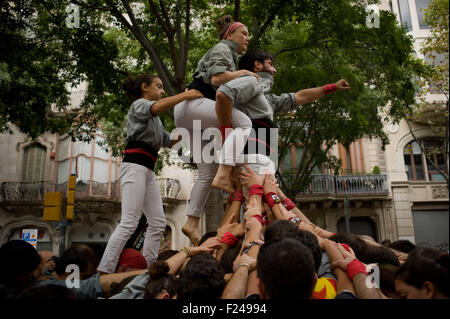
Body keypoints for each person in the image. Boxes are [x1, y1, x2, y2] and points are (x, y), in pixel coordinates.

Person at [97, 74, 202, 273]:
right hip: (134, 166)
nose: (162, 91)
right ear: (145, 87)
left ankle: (147, 268)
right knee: (129, 222)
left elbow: (168, 141)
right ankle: (104, 270)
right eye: (159, 86)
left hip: (147, 170)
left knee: (158, 222)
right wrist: (185, 96)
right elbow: (155, 107)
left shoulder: (156, 121)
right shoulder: (139, 105)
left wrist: (190, 130)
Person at [175, 14, 256, 245]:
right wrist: (244, 73)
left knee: (206, 170)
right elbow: (217, 78)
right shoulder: (222, 48)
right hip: (194, 105)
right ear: (230, 35)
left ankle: (191, 222)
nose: (247, 38)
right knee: (245, 123)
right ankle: (224, 171)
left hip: (185, 113)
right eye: (244, 33)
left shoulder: (227, 52)